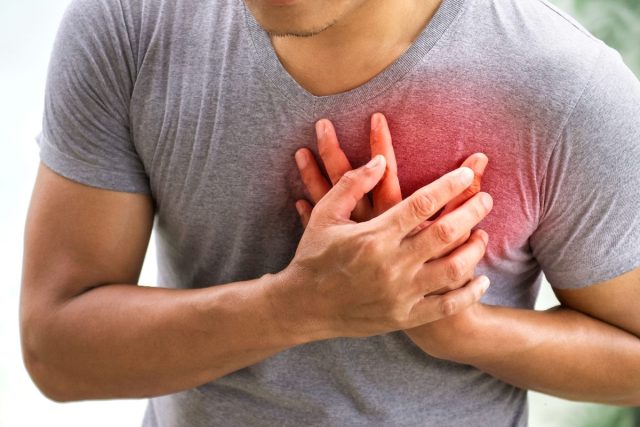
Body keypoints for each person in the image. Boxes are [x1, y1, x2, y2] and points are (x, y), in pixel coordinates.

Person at [20, 0, 640, 425]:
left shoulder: (566, 84)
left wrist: (459, 327)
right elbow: (56, 350)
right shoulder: (130, 25)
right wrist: (297, 307)